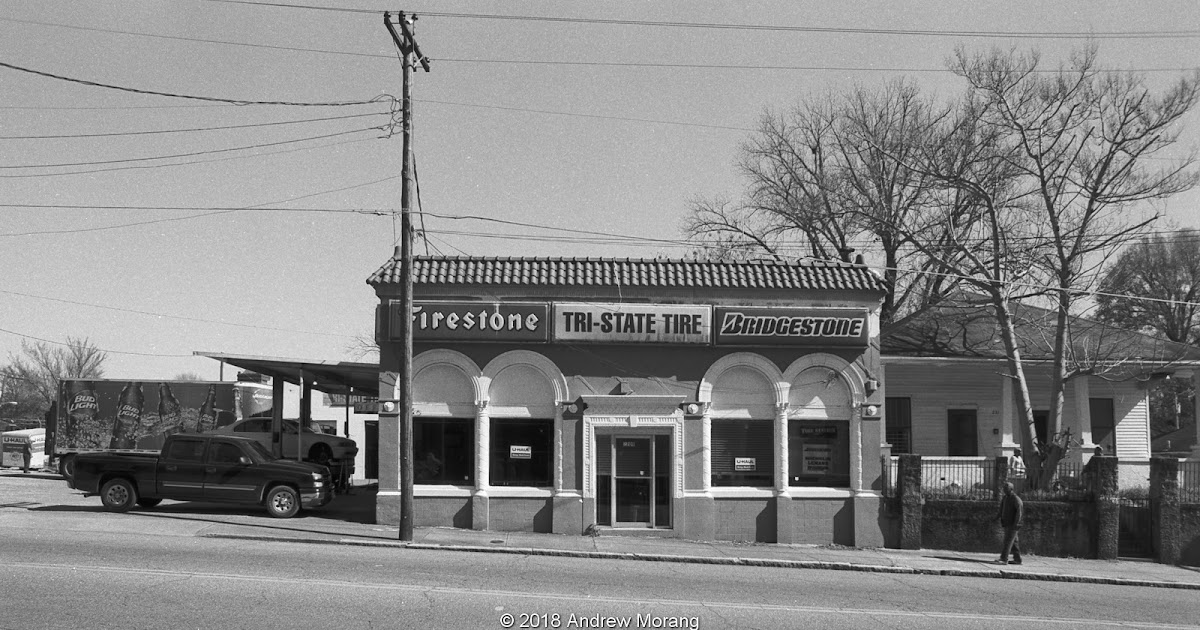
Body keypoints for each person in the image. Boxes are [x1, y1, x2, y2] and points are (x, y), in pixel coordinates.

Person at [995, 481, 1023, 565]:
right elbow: (1001, 509)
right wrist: (997, 517)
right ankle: (1017, 559)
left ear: (1011, 489)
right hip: (1007, 523)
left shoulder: (1016, 499)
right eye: (1004, 488)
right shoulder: (1005, 498)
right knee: (1014, 542)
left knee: (1007, 541)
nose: (1004, 489)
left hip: (1013, 524)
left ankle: (1004, 558)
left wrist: (1016, 523)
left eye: (1006, 488)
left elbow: (1019, 512)